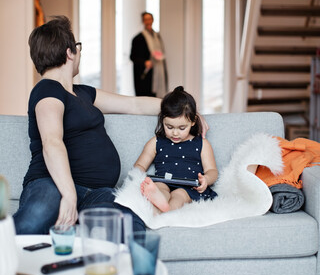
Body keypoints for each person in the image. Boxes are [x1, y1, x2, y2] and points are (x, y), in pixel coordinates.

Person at [13, 15, 163, 235]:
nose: (79, 53)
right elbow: (52, 142)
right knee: (36, 219)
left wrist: (185, 109)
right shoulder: (47, 90)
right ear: (69, 52)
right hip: (52, 184)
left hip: (97, 193)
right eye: (78, 47)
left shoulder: (84, 93)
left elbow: (134, 105)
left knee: (130, 227)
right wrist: (69, 194)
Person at [134, 86, 218, 213]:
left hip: (189, 188)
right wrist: (138, 177)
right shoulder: (156, 142)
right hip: (163, 181)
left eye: (182, 128)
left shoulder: (202, 144)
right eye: (169, 127)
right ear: (162, 120)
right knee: (159, 188)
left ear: (193, 121)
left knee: (179, 195)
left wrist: (206, 179)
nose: (175, 133)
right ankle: (159, 200)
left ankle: (166, 212)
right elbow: (140, 164)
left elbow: (212, 171)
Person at [130, 12, 168, 98]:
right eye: (146, 20)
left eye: (150, 19)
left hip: (158, 73)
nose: (148, 21)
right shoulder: (138, 38)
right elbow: (132, 57)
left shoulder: (157, 36)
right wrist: (144, 62)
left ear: (153, 20)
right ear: (143, 21)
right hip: (145, 77)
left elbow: (161, 54)